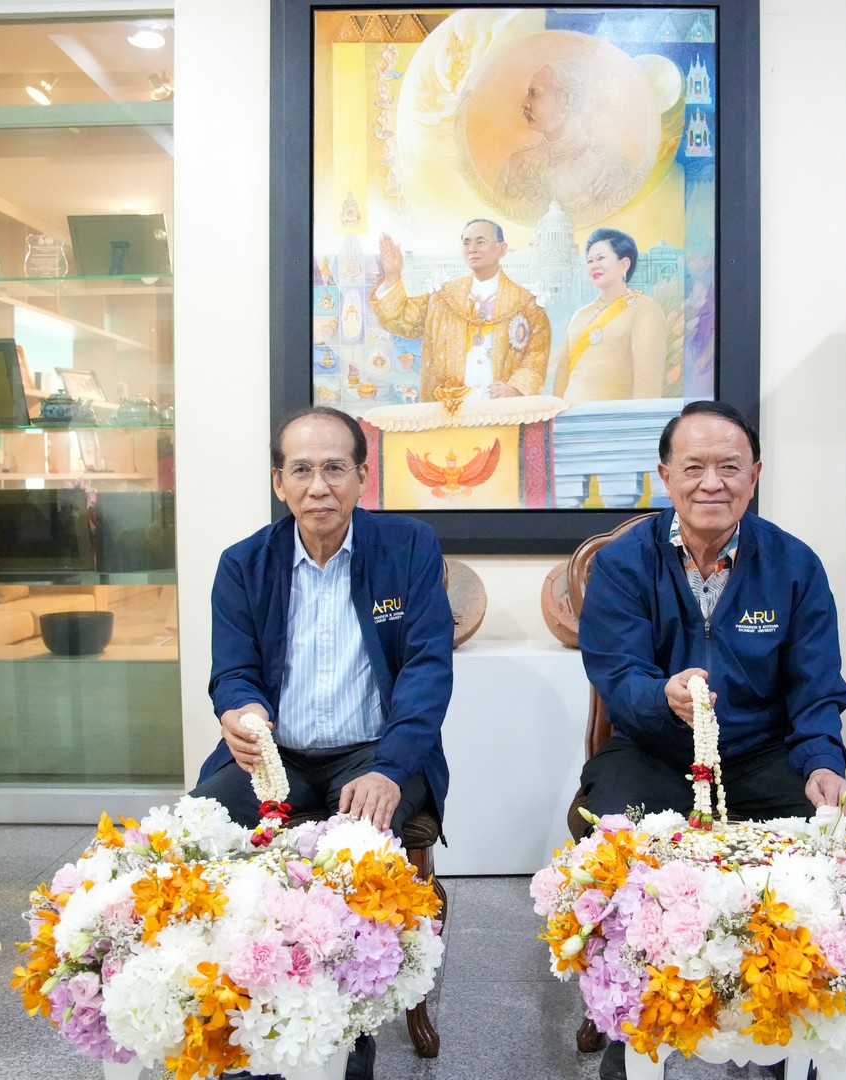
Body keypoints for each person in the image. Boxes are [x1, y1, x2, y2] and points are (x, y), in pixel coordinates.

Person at [575, 400, 846, 1080]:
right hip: (653, 748)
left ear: (754, 475)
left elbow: (817, 688)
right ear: (665, 476)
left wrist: (822, 760)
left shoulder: (793, 564)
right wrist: (661, 697)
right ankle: (629, 1018)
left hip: (759, 754)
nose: (711, 483)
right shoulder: (624, 563)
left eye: (729, 467)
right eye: (693, 466)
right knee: (618, 845)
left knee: (818, 850)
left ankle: (784, 1013)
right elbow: (616, 671)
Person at [191, 406, 454, 1080]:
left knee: (352, 855)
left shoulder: (410, 547)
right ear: (278, 481)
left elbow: (427, 670)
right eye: (302, 469)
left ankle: (346, 1030)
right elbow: (233, 670)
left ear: (363, 476)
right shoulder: (243, 564)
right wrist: (242, 711)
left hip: (373, 750)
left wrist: (392, 768)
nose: (319, 486)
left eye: (335, 468)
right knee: (200, 835)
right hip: (273, 755)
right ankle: (239, 1012)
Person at [371, 218, 550, 405]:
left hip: (502, 410)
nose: (472, 249)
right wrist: (392, 275)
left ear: (502, 249)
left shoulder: (526, 303)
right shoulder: (444, 296)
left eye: (480, 242)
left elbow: (536, 357)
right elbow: (402, 319)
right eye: (466, 243)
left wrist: (515, 388)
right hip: (450, 410)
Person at [492, 61, 643, 224]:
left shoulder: (611, 168)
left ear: (567, 100)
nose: (524, 103)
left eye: (534, 94)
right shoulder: (514, 163)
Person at [551, 227, 667, 401]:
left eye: (601, 258)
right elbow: (561, 380)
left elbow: (647, 384)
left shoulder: (645, 309)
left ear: (624, 264)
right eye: (590, 260)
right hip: (570, 415)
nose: (594, 265)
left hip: (616, 416)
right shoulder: (580, 315)